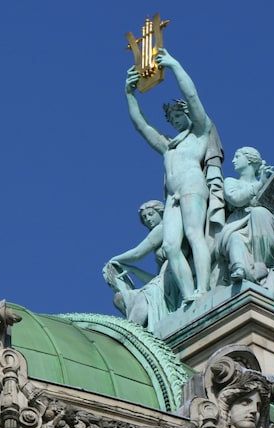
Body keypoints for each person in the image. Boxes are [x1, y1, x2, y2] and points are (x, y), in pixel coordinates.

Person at [125, 49, 212, 302]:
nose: (174, 121)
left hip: (192, 187)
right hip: (173, 196)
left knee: (195, 235)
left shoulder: (199, 134)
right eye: (171, 118)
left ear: (187, 115)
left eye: (178, 115)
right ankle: (188, 296)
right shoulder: (168, 145)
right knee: (171, 247)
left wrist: (174, 65)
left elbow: (192, 95)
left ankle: (203, 289)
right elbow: (141, 125)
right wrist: (129, 94)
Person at [104, 200, 179, 330]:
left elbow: (137, 254)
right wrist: (134, 270)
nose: (148, 219)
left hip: (175, 277)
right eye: (144, 217)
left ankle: (131, 336)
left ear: (161, 212)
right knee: (120, 299)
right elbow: (156, 279)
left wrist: (113, 260)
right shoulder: (158, 234)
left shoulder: (163, 228)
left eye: (151, 214)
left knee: (143, 298)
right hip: (166, 280)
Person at [215, 147, 274, 283]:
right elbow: (235, 198)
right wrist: (260, 184)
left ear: (250, 160)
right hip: (237, 224)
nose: (233, 161)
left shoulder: (264, 183)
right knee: (235, 238)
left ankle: (262, 262)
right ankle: (240, 268)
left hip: (262, 224)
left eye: (237, 157)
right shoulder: (231, 182)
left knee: (258, 212)